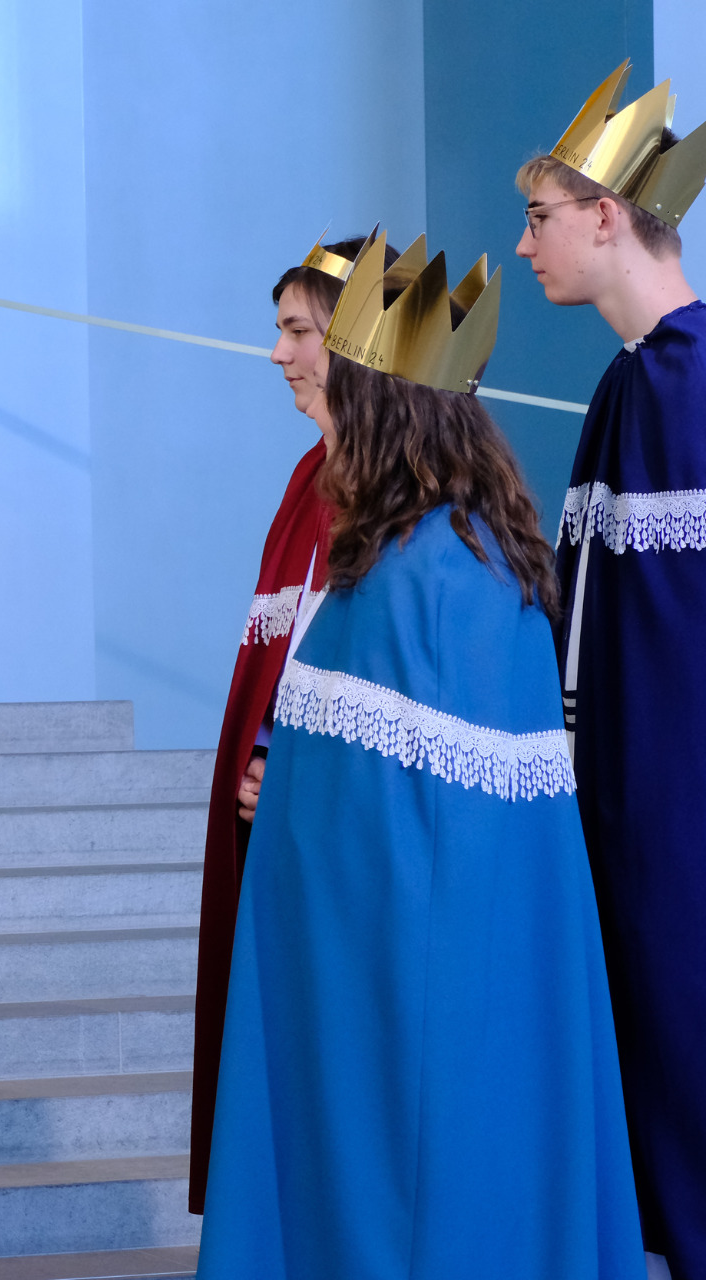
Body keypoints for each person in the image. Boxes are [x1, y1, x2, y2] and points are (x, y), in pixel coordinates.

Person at [197, 233, 641, 1279]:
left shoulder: (406, 582)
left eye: (325, 367)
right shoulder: (490, 560)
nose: (297, 377)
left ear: (381, 407)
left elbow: (386, 862)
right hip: (490, 1025)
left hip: (389, 1034)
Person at [515, 62, 706, 1280]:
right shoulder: (620, 386)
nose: (523, 243)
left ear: (605, 215)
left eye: (539, 216)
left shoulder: (690, 385)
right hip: (621, 821)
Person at [188, 232, 399, 1214]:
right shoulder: (304, 482)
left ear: (354, 340)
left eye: (298, 330)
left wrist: (296, 768)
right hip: (276, 835)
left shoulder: (397, 499)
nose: (279, 353)